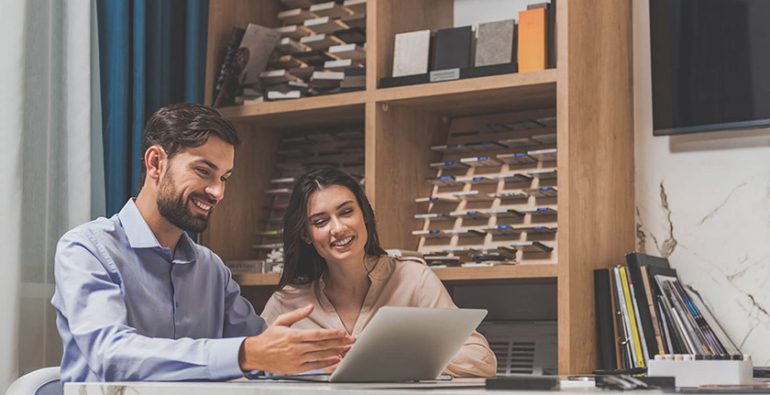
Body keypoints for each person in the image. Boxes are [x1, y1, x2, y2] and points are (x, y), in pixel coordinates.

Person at [51, 103, 354, 383]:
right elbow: (112, 355)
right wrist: (246, 354)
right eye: (204, 171)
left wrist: (331, 362)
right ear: (156, 163)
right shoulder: (85, 250)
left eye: (225, 177)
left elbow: (266, 354)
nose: (217, 191)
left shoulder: (212, 269)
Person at [261, 168, 497, 377]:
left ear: (363, 214)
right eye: (321, 221)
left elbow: (481, 359)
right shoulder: (287, 302)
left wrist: (395, 360)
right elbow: (252, 366)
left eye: (346, 212)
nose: (339, 228)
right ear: (306, 236)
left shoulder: (414, 280)